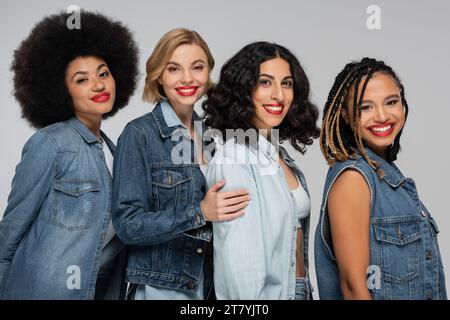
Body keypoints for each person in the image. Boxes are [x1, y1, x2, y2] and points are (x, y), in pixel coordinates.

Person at [0, 11, 139, 299]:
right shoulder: (49, 144)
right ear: (62, 90)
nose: (99, 85)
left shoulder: (116, 151)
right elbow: (12, 229)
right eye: (82, 79)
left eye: (103, 73)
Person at [111, 28, 250, 300]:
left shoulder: (212, 137)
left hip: (210, 288)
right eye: (174, 69)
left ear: (208, 72)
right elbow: (127, 225)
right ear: (158, 76)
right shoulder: (139, 134)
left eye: (197, 67)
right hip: (160, 291)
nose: (187, 78)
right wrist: (199, 212)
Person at [314, 57, 447, 300]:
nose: (382, 115)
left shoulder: (386, 178)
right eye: (365, 107)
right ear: (345, 115)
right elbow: (353, 288)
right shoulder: (354, 179)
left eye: (391, 102)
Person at [202, 41, 320, 299]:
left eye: (287, 83)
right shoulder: (235, 159)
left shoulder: (281, 158)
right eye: (265, 82)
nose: (279, 95)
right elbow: (240, 267)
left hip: (299, 291)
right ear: (244, 89)